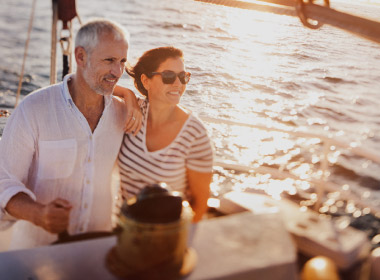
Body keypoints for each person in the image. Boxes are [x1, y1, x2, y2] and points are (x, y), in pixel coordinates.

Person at [0, 19, 142, 250]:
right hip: (37, 252)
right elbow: (3, 181)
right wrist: (39, 214)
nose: (117, 72)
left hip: (98, 248)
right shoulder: (33, 109)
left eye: (122, 61)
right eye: (109, 60)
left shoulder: (123, 113)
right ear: (80, 56)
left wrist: (130, 96)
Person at [117, 46, 213, 222]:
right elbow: (95, 88)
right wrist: (127, 94)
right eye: (169, 76)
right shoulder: (132, 111)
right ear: (146, 81)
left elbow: (200, 204)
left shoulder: (195, 134)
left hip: (165, 234)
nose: (178, 83)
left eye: (183, 77)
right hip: (123, 227)